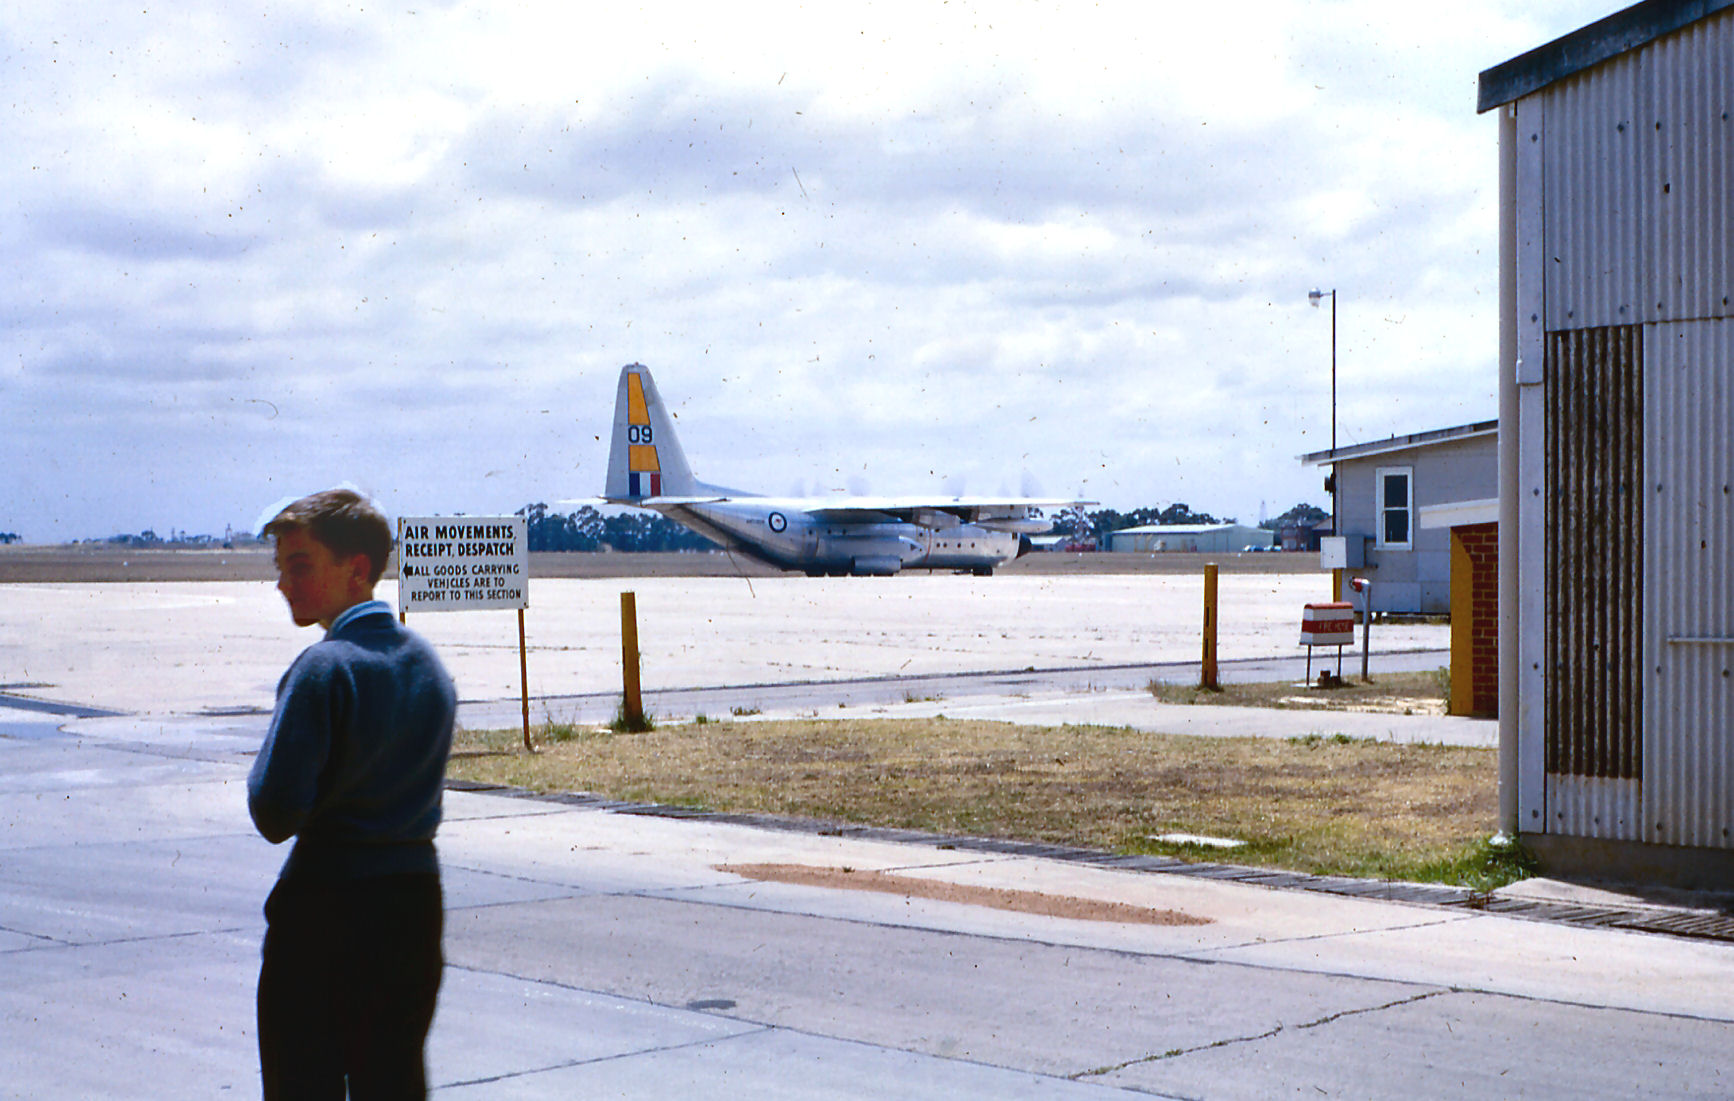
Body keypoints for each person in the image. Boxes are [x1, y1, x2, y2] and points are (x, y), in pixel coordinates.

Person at [249, 489, 456, 1100]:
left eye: (301, 565)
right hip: (414, 905)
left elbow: (274, 811)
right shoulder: (427, 665)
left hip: (326, 911)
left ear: (357, 570)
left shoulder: (324, 669)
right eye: (281, 568)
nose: (285, 584)